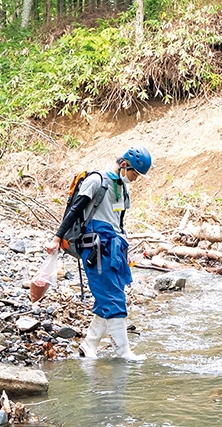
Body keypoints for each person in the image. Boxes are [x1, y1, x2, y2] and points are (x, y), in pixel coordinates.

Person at [49, 147, 153, 361]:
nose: (135, 179)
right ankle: (122, 353)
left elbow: (119, 223)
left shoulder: (122, 187)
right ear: (124, 164)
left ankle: (89, 345)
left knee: (109, 297)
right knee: (114, 298)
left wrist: (126, 251)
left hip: (115, 247)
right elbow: (75, 211)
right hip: (96, 248)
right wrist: (57, 238)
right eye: (135, 173)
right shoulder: (97, 180)